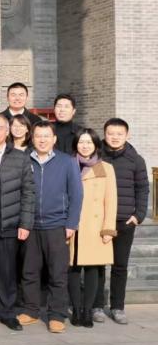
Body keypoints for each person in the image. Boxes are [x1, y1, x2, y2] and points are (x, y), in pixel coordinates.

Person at [18, 121, 83, 333]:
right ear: (32, 138)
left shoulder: (67, 162)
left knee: (58, 273)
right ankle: (31, 310)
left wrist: (71, 223)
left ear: (54, 139)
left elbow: (76, 194)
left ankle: (56, 315)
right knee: (29, 271)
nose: (42, 140)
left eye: (46, 136)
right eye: (38, 136)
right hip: (30, 225)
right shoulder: (23, 159)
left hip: (57, 225)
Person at [0, 115, 36, 331]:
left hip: (9, 223)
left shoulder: (20, 158)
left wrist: (25, 224)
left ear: (7, 131)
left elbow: (28, 192)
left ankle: (7, 313)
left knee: (7, 272)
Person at [93, 118, 149, 325]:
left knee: (120, 265)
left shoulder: (136, 160)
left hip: (124, 220)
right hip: (100, 221)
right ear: (104, 134)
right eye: (111, 133)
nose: (115, 137)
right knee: (97, 264)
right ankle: (97, 305)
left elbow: (143, 188)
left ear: (127, 135)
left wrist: (138, 215)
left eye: (119, 134)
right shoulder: (97, 157)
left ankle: (117, 307)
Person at [70, 128, 117, 328]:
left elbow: (111, 200)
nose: (85, 146)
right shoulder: (69, 164)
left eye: (89, 142)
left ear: (96, 145)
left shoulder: (104, 168)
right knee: (72, 269)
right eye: (81, 142)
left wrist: (108, 229)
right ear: (76, 144)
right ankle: (76, 309)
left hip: (94, 226)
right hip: (72, 224)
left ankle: (88, 310)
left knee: (92, 270)